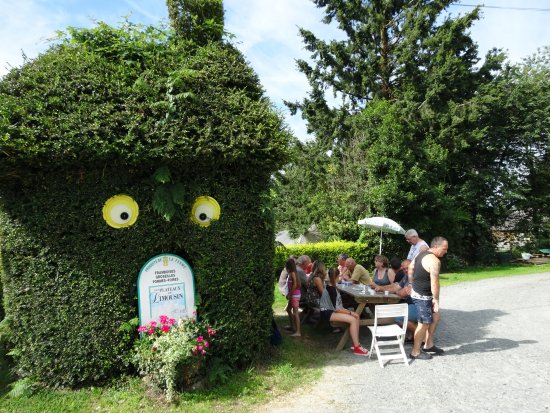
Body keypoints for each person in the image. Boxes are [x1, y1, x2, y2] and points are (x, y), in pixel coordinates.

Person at [314, 261, 370, 356]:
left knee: (356, 316)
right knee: (353, 318)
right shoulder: (332, 289)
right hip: (327, 312)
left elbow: (338, 307)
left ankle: (356, 344)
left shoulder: (331, 286)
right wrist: (350, 312)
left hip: (331, 310)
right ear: (337, 277)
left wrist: (349, 312)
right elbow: (337, 309)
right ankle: (357, 347)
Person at [409, 236, 449, 360]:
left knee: (436, 317)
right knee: (424, 323)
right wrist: (436, 300)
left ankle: (428, 344)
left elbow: (410, 267)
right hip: (423, 296)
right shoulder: (434, 261)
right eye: (444, 249)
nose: (446, 251)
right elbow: (435, 283)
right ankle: (415, 352)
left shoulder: (420, 254)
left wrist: (411, 283)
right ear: (436, 246)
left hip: (419, 293)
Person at [373, 259, 416, 341]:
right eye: (404, 269)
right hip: (408, 304)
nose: (405, 270)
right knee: (391, 311)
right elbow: (396, 288)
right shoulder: (406, 277)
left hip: (417, 305)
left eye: (407, 268)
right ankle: (412, 334)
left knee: (398, 318)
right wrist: (381, 289)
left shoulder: (415, 277)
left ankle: (420, 335)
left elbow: (402, 293)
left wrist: (398, 291)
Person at [284, 259, 302, 337]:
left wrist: (289, 294)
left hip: (294, 295)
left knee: (295, 313)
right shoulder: (292, 273)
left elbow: (295, 285)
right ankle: (293, 326)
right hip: (293, 295)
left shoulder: (293, 273)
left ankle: (298, 332)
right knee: (288, 309)